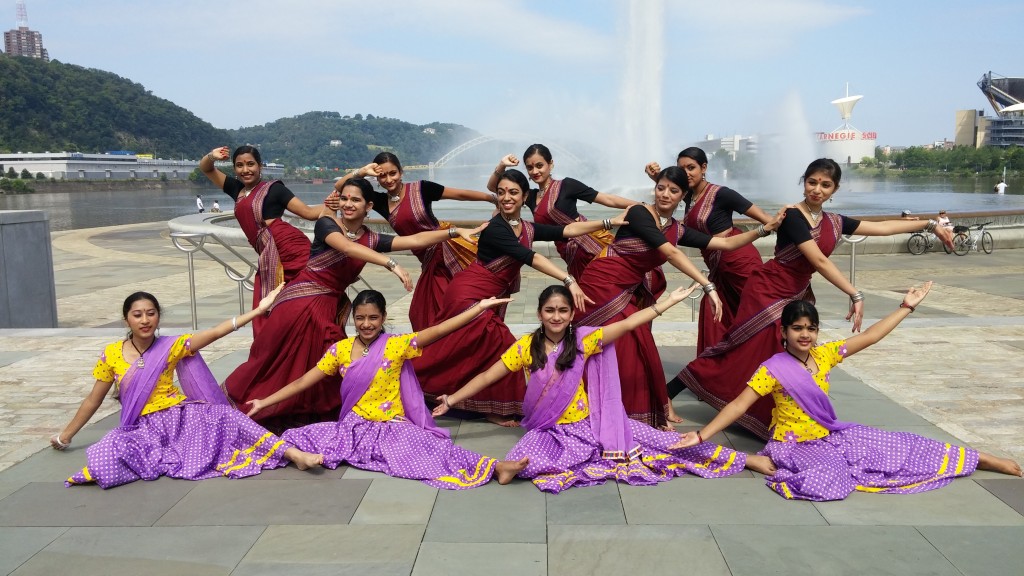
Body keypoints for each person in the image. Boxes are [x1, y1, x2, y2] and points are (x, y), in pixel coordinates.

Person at [674, 158, 955, 439]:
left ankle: (779, 417)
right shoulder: (793, 216)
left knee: (787, 355)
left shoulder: (834, 221)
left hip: (796, 293)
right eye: (812, 182)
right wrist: (854, 293)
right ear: (804, 182)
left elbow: (882, 228)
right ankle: (671, 393)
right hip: (767, 290)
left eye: (825, 185)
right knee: (742, 348)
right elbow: (818, 260)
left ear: (835, 189)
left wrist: (931, 225)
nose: (817, 190)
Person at [671, 284, 1022, 501]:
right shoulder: (772, 369)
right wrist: (701, 434)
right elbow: (737, 405)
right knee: (831, 483)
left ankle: (980, 458)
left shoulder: (824, 356)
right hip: (791, 445)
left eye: (810, 328)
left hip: (830, 437)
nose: (804, 335)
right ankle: (756, 461)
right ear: (784, 332)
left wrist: (906, 307)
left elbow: (869, 337)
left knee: (904, 443)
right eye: (797, 329)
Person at [432, 284, 776, 493]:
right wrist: (453, 399)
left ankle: (745, 459)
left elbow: (627, 323)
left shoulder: (584, 340)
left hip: (591, 424)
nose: (556, 316)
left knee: (668, 442)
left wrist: (667, 303)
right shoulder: (525, 347)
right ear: (539, 313)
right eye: (549, 310)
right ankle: (504, 468)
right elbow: (487, 376)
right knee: (526, 460)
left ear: (571, 315)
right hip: (547, 430)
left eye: (562, 311)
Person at [225, 178, 483, 432]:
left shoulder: (371, 239)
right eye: (345, 199)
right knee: (275, 361)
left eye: (355, 200)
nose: (348, 204)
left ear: (368, 206)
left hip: (327, 307)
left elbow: (413, 240)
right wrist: (390, 264)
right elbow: (347, 247)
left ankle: (307, 414)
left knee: (324, 364)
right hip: (299, 301)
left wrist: (453, 231)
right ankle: (251, 407)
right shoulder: (327, 224)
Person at [245, 290, 529, 489]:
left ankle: (496, 467)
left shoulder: (396, 346)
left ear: (382, 318)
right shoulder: (340, 351)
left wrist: (477, 309)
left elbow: (440, 331)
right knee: (295, 436)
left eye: (373, 318)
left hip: (391, 427)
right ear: (352, 319)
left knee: (435, 451)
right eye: (360, 318)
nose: (366, 324)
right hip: (352, 428)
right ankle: (298, 458)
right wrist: (264, 402)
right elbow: (301, 382)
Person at [412, 169, 628, 426]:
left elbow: (567, 230)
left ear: (525, 196)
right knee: (498, 345)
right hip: (468, 294)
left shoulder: (526, 227)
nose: (506, 197)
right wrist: (568, 280)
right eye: (501, 192)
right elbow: (531, 257)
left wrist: (607, 223)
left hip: (487, 295)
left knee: (466, 353)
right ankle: (419, 383)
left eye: (513, 192)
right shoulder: (495, 228)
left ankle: (473, 403)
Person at [575, 166, 785, 429]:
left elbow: (725, 244)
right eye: (660, 187)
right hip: (601, 282)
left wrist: (764, 230)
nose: (664, 194)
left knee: (635, 346)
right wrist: (708, 286)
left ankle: (627, 412)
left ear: (682, 195)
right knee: (614, 343)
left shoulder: (676, 229)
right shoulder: (640, 213)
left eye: (673, 190)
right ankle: (588, 407)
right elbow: (671, 254)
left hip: (625, 289)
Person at [53, 288, 324, 489]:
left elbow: (216, 332)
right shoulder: (111, 354)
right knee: (105, 460)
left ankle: (293, 454)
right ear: (127, 320)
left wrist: (258, 310)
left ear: (158, 317)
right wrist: (66, 436)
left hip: (180, 417)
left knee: (227, 416)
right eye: (137, 315)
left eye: (151, 313)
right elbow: (93, 400)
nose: (145, 320)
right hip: (142, 426)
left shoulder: (171, 346)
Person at [333, 152, 498, 331]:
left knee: (456, 304)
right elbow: (341, 186)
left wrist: (493, 199)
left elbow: (459, 194)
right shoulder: (379, 201)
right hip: (427, 261)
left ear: (401, 172)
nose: (388, 179)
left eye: (393, 173)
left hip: (449, 252)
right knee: (421, 313)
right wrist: (364, 171)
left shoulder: (421, 189)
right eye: (382, 175)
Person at [646, 147, 774, 354]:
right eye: (681, 169)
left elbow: (766, 219)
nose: (686, 173)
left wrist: (800, 237)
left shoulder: (722, 194)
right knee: (717, 318)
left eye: (691, 168)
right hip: (718, 268)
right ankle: (726, 372)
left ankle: (773, 364)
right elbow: (671, 193)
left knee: (756, 314)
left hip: (740, 263)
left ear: (703, 168)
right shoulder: (689, 196)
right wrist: (657, 178)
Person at [199, 146, 336, 335]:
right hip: (269, 257)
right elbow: (206, 168)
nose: (245, 170)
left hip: (292, 250)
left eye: (250, 164)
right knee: (267, 315)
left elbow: (309, 213)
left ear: (260, 166)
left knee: (304, 301)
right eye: (239, 165)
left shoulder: (275, 189)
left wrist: (338, 203)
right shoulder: (235, 189)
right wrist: (212, 156)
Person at [487, 144, 636, 279]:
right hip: (570, 254)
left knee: (613, 282)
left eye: (540, 165)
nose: (535, 171)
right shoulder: (530, 197)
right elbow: (494, 187)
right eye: (530, 167)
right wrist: (502, 165)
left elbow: (607, 199)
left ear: (551, 164)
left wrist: (641, 205)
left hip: (593, 244)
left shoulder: (568, 185)